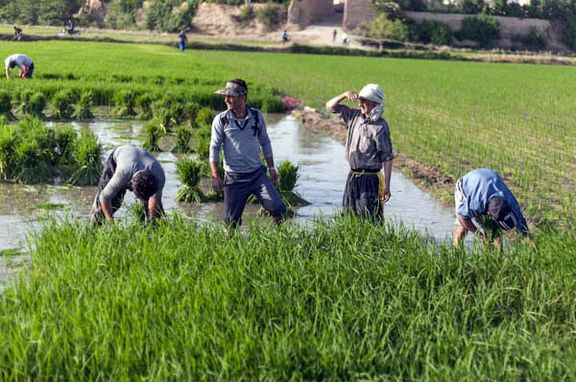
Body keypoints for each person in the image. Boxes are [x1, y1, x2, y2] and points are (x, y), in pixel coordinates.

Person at [209, 79, 287, 229]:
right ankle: (229, 247)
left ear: (243, 97)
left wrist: (271, 168)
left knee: (279, 209)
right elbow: (214, 148)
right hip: (234, 177)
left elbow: (265, 141)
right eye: (226, 96)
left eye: (231, 96)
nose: (226, 100)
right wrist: (215, 176)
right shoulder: (222, 120)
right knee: (231, 222)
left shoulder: (256, 116)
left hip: (257, 175)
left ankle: (281, 239)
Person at [326, 84, 393, 220]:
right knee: (348, 214)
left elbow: (387, 158)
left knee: (368, 217)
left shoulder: (380, 126)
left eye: (364, 101)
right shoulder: (354, 117)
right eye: (360, 100)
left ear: (374, 103)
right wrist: (344, 95)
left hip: (370, 178)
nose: (360, 104)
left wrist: (386, 186)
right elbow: (330, 106)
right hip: (353, 176)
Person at [453, 168, 529, 248]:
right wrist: (481, 236)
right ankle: (456, 254)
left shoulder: (511, 202)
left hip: (487, 178)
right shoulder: (472, 205)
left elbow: (522, 227)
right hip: (465, 185)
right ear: (489, 213)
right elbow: (462, 217)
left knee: (494, 230)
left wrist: (527, 239)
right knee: (462, 228)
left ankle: (498, 256)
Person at [90, 145, 165, 225]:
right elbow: (104, 198)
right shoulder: (122, 174)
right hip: (120, 156)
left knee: (156, 214)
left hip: (136, 158)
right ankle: (93, 229)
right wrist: (112, 225)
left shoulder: (159, 177)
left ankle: (154, 230)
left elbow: (155, 199)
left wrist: (150, 222)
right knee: (112, 203)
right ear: (130, 183)